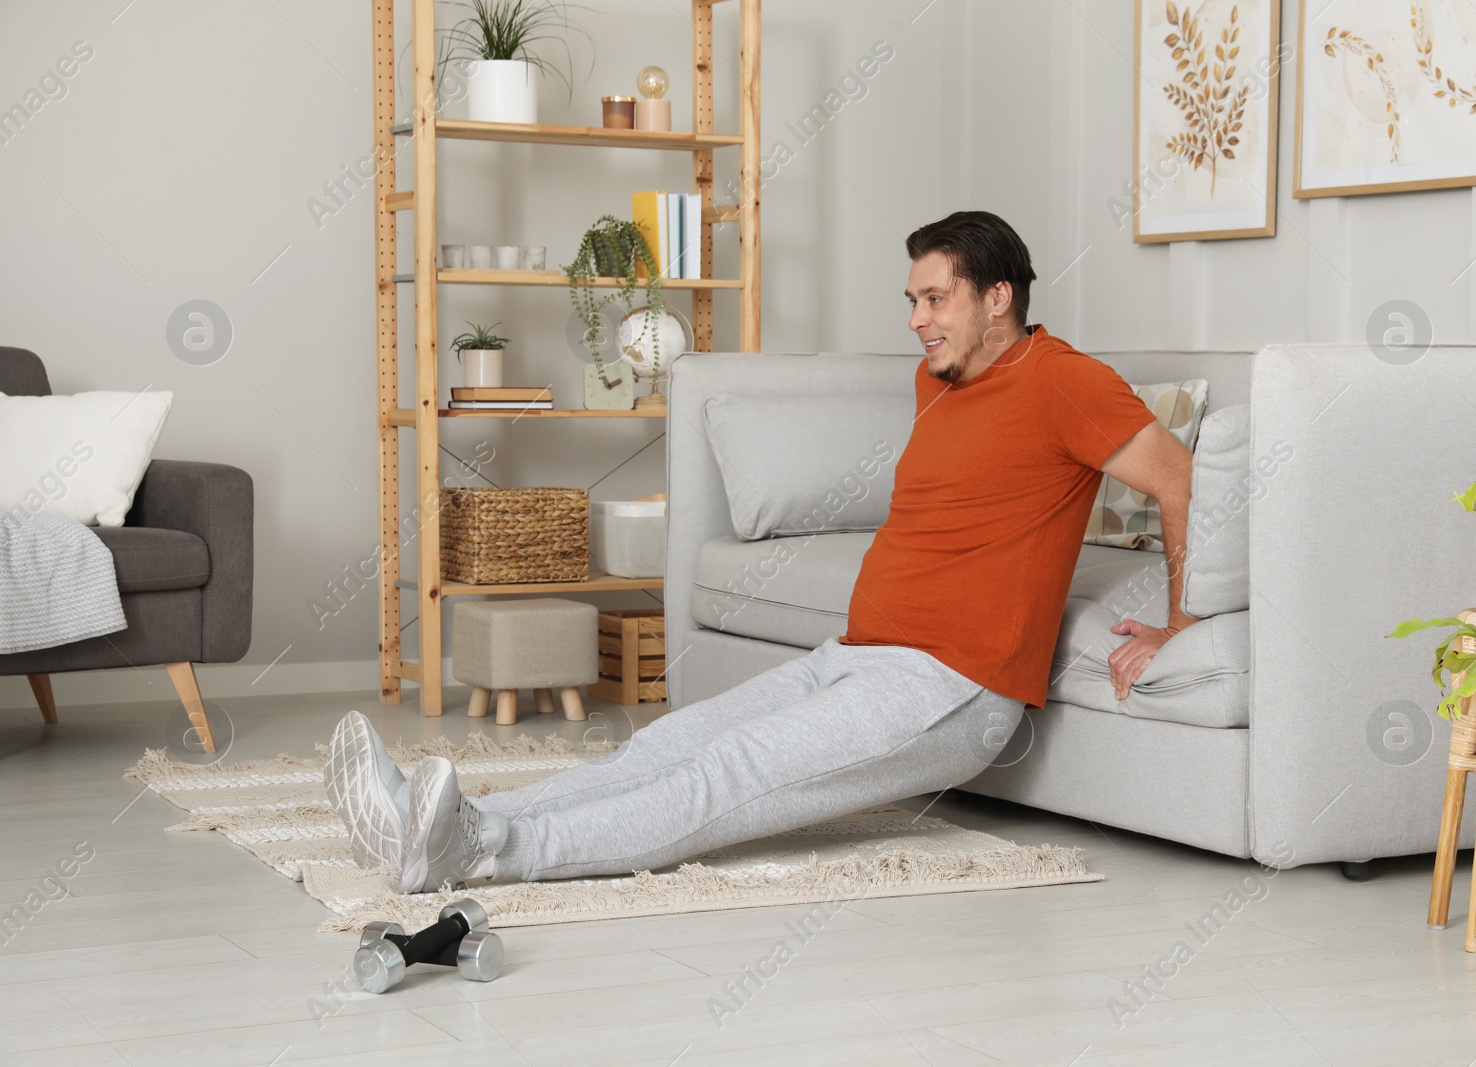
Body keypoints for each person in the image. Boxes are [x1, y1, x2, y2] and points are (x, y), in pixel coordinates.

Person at [324, 210, 1196, 893]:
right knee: (665, 747)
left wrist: (1178, 621)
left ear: (998, 297)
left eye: (935, 300)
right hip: (856, 656)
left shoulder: (1067, 382)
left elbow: (1181, 480)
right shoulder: (940, 378)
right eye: (912, 301)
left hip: (951, 687)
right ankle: (442, 816)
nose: (918, 321)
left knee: (725, 778)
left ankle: (482, 852)